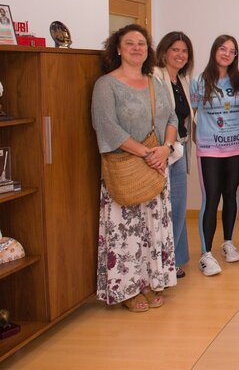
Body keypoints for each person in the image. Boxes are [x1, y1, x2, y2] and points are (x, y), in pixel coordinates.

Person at [91, 24, 178, 312]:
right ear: (117, 48)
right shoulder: (106, 84)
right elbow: (106, 127)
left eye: (142, 43)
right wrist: (146, 153)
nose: (137, 48)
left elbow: (173, 118)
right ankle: (127, 288)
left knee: (152, 230)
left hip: (156, 166)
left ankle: (151, 280)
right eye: (130, 43)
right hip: (126, 168)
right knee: (126, 232)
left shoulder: (154, 82)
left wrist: (165, 149)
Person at [190, 35, 239, 276]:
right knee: (211, 198)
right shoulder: (199, 82)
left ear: (235, 56)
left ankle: (228, 242)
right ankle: (206, 254)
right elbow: (191, 114)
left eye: (232, 51)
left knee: (231, 195)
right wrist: (198, 140)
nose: (226, 54)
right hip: (210, 148)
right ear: (214, 51)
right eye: (222, 49)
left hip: (237, 147)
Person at [152, 31, 194, 279]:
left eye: (184, 51)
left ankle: (175, 259)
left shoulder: (183, 81)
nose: (180, 55)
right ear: (165, 51)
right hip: (160, 150)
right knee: (160, 209)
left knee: (178, 206)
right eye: (175, 49)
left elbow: (186, 117)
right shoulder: (154, 77)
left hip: (179, 149)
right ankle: (161, 261)